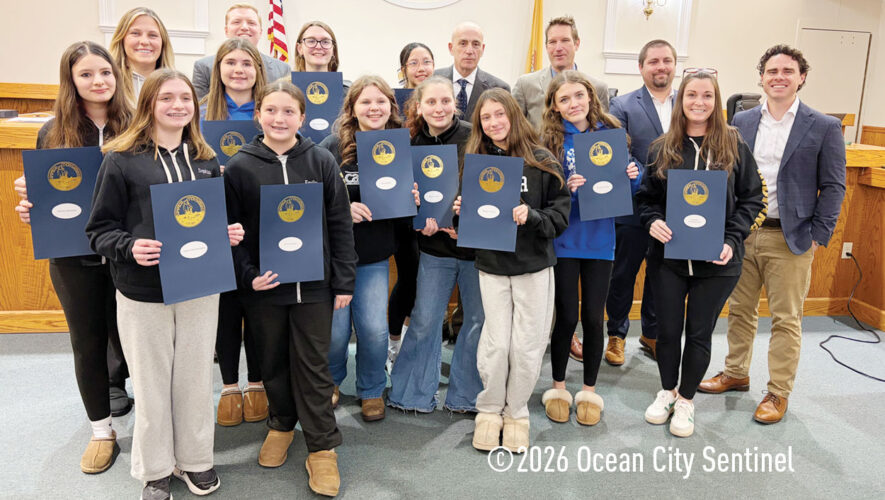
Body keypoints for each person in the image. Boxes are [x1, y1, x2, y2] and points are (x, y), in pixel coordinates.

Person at [86, 69, 244, 500]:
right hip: (143, 291)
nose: (178, 106)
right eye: (166, 98)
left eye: (185, 98)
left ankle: (195, 459)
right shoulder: (121, 159)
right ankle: (155, 468)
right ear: (149, 105)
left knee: (194, 379)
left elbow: (213, 221)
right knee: (152, 384)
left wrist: (227, 234)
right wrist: (129, 247)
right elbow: (98, 230)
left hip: (201, 287)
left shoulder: (207, 160)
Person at [699, 45, 846, 424]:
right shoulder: (741, 122)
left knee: (786, 318)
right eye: (772, 71)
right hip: (743, 233)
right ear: (761, 78)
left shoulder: (824, 126)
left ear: (802, 77)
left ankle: (778, 391)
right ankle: (736, 372)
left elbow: (834, 186)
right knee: (739, 310)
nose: (779, 77)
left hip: (791, 237)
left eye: (787, 71)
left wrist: (819, 234)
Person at [223, 80, 356, 497]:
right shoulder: (240, 167)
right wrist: (248, 275)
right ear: (258, 115)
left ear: (302, 117)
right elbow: (232, 234)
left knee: (314, 365)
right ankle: (281, 424)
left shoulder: (321, 161)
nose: (279, 119)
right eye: (271, 110)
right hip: (265, 288)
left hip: (315, 287)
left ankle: (321, 446)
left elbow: (340, 223)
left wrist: (343, 279)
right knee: (273, 360)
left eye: (288, 112)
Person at [12, 41, 132, 474]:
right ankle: (101, 432)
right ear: (71, 80)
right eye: (86, 74)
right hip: (72, 256)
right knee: (87, 341)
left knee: (136, 341)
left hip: (126, 254)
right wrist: (30, 206)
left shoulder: (134, 124)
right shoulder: (53, 131)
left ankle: (155, 427)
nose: (98, 81)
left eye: (105, 72)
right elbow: (43, 192)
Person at [636, 69, 765, 438]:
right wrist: (653, 222)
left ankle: (687, 400)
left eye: (707, 95)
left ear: (716, 100)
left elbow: (753, 199)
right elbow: (645, 199)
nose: (699, 102)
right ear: (681, 99)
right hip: (669, 259)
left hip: (718, 261)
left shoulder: (734, 145)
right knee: (667, 330)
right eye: (692, 94)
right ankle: (667, 391)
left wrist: (731, 239)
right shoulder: (662, 147)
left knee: (698, 332)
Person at [458, 88, 569, 452]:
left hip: (533, 268)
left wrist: (531, 216)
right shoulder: (475, 162)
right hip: (492, 267)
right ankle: (489, 410)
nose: (493, 123)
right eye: (485, 117)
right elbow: (468, 223)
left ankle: (516, 413)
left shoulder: (541, 160)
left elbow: (559, 217)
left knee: (526, 345)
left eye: (499, 114)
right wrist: (460, 213)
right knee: (496, 344)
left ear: (514, 116)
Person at [538, 71, 641, 426]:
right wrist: (564, 187)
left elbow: (630, 182)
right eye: (564, 99)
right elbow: (542, 193)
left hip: (601, 239)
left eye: (579, 96)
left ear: (590, 98)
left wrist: (633, 174)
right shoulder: (548, 142)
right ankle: (558, 387)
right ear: (554, 106)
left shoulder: (610, 134)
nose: (573, 104)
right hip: (565, 240)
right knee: (567, 317)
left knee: (594, 319)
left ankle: (589, 391)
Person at [319, 76, 415, 422]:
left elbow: (406, 205)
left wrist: (413, 198)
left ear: (391, 106)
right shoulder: (331, 147)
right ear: (352, 108)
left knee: (374, 329)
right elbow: (314, 198)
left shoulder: (401, 146)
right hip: (336, 256)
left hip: (374, 254)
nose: (374, 108)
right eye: (365, 102)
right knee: (335, 331)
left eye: (380, 101)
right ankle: (330, 381)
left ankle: (372, 388)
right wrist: (343, 208)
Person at [387, 76, 484, 413]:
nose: (439, 108)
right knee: (425, 319)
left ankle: (467, 397)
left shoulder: (476, 136)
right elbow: (401, 200)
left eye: (445, 101)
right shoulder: (409, 144)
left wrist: (468, 225)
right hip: (434, 249)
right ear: (419, 107)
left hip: (476, 250)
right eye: (431, 102)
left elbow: (492, 188)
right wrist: (418, 219)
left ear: (455, 104)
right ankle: (411, 393)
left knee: (476, 322)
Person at [201, 36, 270, 428]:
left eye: (247, 63)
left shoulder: (268, 110)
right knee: (225, 305)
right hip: (213, 218)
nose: (239, 70)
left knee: (256, 301)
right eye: (231, 62)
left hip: (258, 216)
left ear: (258, 71)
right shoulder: (199, 113)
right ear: (219, 69)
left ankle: (256, 381)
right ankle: (229, 385)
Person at [602, 39, 678, 365]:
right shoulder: (621, 105)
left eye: (666, 61)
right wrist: (648, 178)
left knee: (661, 275)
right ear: (641, 67)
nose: (661, 67)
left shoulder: (688, 102)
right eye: (653, 61)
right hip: (633, 203)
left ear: (674, 65)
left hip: (676, 207)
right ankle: (616, 335)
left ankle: (651, 334)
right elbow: (618, 149)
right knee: (623, 274)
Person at [386, 42, 436, 372]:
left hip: (437, 211)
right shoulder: (393, 108)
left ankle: (415, 345)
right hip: (403, 211)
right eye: (413, 62)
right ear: (403, 69)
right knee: (408, 277)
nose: (421, 68)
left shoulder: (441, 103)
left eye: (426, 61)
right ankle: (393, 343)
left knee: (427, 285)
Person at [512, 16, 610, 130]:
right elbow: (514, 129)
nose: (558, 48)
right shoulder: (525, 85)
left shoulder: (598, 88)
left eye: (565, 40)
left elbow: (603, 133)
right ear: (546, 47)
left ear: (577, 44)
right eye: (552, 42)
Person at [193, 3, 291, 100]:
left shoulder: (282, 69)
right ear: (226, 30)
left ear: (260, 31)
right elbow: (199, 106)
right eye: (237, 22)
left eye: (251, 23)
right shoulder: (203, 67)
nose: (244, 27)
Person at [434, 22, 510, 121]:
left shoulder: (499, 88)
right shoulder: (431, 81)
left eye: (475, 44)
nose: (469, 51)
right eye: (463, 43)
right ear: (451, 48)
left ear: (482, 49)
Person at [108, 7, 174, 106]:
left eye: (152, 35)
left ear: (163, 42)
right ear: (121, 39)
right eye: (135, 33)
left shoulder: (176, 84)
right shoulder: (108, 83)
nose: (144, 41)